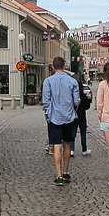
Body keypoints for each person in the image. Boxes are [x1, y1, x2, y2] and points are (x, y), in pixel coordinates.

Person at [41, 56, 80, 186]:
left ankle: (58, 176)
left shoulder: (48, 81)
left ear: (52, 67)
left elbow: (46, 101)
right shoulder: (72, 81)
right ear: (64, 66)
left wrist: (48, 112)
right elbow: (76, 101)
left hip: (54, 117)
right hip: (69, 117)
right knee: (67, 144)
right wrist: (72, 110)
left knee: (56, 145)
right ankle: (66, 172)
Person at [69, 79, 92, 157]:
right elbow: (87, 106)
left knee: (73, 134)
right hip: (82, 118)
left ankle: (71, 149)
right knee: (83, 134)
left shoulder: (71, 96)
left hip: (73, 117)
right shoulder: (83, 96)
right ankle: (84, 149)